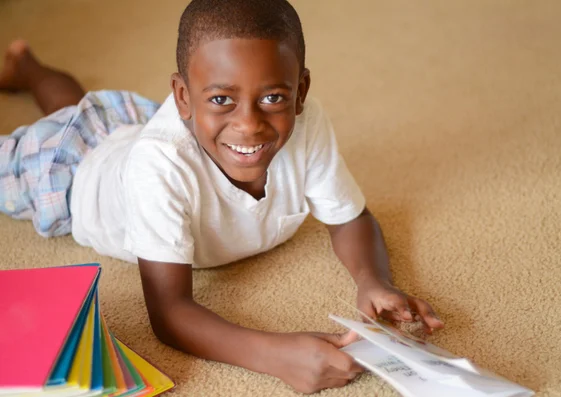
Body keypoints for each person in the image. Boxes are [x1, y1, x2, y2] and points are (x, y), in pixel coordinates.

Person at [0, 0, 444, 393]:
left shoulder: (308, 126)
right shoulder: (158, 165)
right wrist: (272, 355)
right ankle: (29, 71)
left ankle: (26, 66)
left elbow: (351, 218)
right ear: (182, 98)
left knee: (82, 110)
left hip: (127, 131)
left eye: (272, 97)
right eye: (222, 99)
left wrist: (373, 280)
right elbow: (170, 312)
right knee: (69, 122)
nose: (249, 125)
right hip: (70, 174)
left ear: (301, 91)